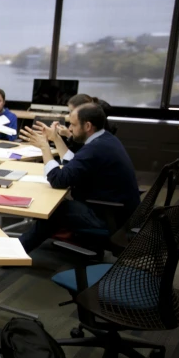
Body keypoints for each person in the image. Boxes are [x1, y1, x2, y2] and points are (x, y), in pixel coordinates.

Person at [18, 103, 140, 253]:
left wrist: (45, 148)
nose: (69, 128)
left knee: (56, 210)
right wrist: (55, 139)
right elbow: (75, 163)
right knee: (60, 207)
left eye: (73, 125)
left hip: (109, 219)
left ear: (87, 126)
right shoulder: (105, 139)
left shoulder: (95, 149)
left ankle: (15, 252)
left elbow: (58, 180)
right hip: (119, 214)